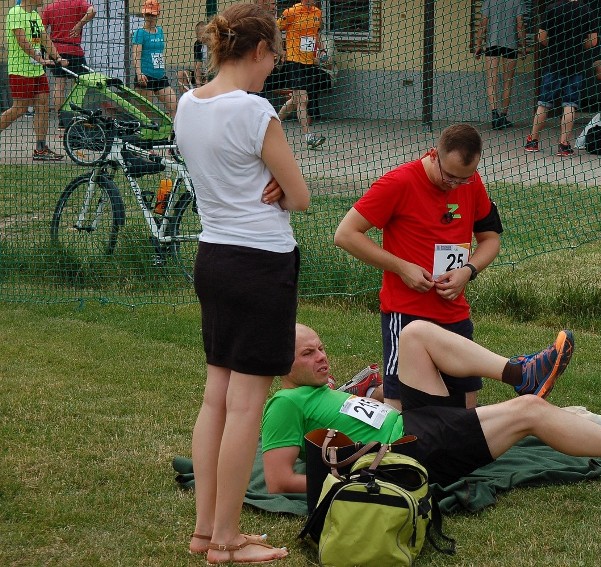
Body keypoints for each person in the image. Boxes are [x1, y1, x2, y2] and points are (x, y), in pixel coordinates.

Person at [173, 3, 310, 564]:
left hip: (214, 258)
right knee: (246, 406)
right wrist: (277, 181)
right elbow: (299, 196)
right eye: (274, 55)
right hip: (260, 264)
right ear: (258, 50)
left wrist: (268, 178)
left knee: (216, 398)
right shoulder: (257, 113)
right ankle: (226, 541)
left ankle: (207, 530)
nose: (273, 66)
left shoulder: (186, 103)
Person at [261, 322, 601, 494]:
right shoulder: (284, 403)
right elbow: (280, 479)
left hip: (411, 422)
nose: (321, 357)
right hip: (408, 452)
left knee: (413, 335)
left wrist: (369, 399)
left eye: (321, 347)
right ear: (283, 365)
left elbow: (356, 421)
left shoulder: (321, 392)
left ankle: (519, 371)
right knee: (529, 412)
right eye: (307, 354)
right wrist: (361, 480)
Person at [334, 124, 502, 411]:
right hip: (407, 311)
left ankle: (373, 389)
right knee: (402, 417)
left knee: (464, 414)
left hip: (453, 312)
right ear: (434, 155)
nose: (455, 185)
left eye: (464, 178)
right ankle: (367, 393)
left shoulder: (471, 183)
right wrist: (402, 268)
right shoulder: (398, 182)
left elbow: (490, 239)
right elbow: (345, 234)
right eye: (449, 176)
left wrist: (468, 271)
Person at [523, 0, 597, 157]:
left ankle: (533, 141)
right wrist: (577, 46)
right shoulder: (586, 10)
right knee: (570, 104)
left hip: (554, 63)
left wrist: (555, 45)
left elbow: (541, 37)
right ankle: (564, 144)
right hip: (575, 64)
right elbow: (593, 41)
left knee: (544, 103)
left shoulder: (551, 8)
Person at [0, 0, 68, 160]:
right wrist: (39, 58)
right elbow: (22, 40)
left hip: (37, 70)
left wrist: (58, 57)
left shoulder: (35, 15)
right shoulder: (15, 13)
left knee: (43, 104)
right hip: (20, 70)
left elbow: (44, 39)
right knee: (19, 108)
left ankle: (40, 149)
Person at [270, 0, 326, 149]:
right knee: (302, 99)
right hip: (294, 61)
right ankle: (309, 136)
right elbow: (275, 28)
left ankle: (271, 126)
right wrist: (279, 49)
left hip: (309, 62)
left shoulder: (317, 13)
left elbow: (316, 34)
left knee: (295, 101)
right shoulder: (291, 12)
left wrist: (322, 50)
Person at [474, 0, 526, 130]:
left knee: (492, 81)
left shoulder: (489, 1)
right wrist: (524, 47)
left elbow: (483, 24)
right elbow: (520, 26)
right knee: (507, 82)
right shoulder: (517, 2)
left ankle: (494, 115)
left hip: (492, 43)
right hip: (511, 44)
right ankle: (503, 116)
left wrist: (478, 45)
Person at [41, 0, 95, 117]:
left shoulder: (50, 8)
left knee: (59, 84)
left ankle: (61, 118)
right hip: (74, 50)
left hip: (56, 50)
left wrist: (44, 52)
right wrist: (80, 24)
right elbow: (92, 11)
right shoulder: (79, 2)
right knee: (80, 83)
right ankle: (75, 115)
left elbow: (42, 32)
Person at [132, 0, 177, 117]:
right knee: (147, 114)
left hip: (160, 76)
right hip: (145, 78)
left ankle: (171, 134)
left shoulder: (160, 31)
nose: (150, 17)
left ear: (158, 14)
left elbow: (158, 53)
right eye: (147, 14)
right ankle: (147, 135)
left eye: (152, 14)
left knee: (173, 106)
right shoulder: (139, 33)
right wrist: (139, 73)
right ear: (143, 14)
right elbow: (136, 55)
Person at [177, 22, 209, 93]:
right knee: (181, 74)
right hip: (202, 73)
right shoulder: (198, 44)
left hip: (212, 75)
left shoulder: (213, 45)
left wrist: (208, 78)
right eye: (198, 36)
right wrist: (198, 85)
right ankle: (188, 99)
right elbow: (197, 65)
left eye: (202, 35)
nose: (201, 38)